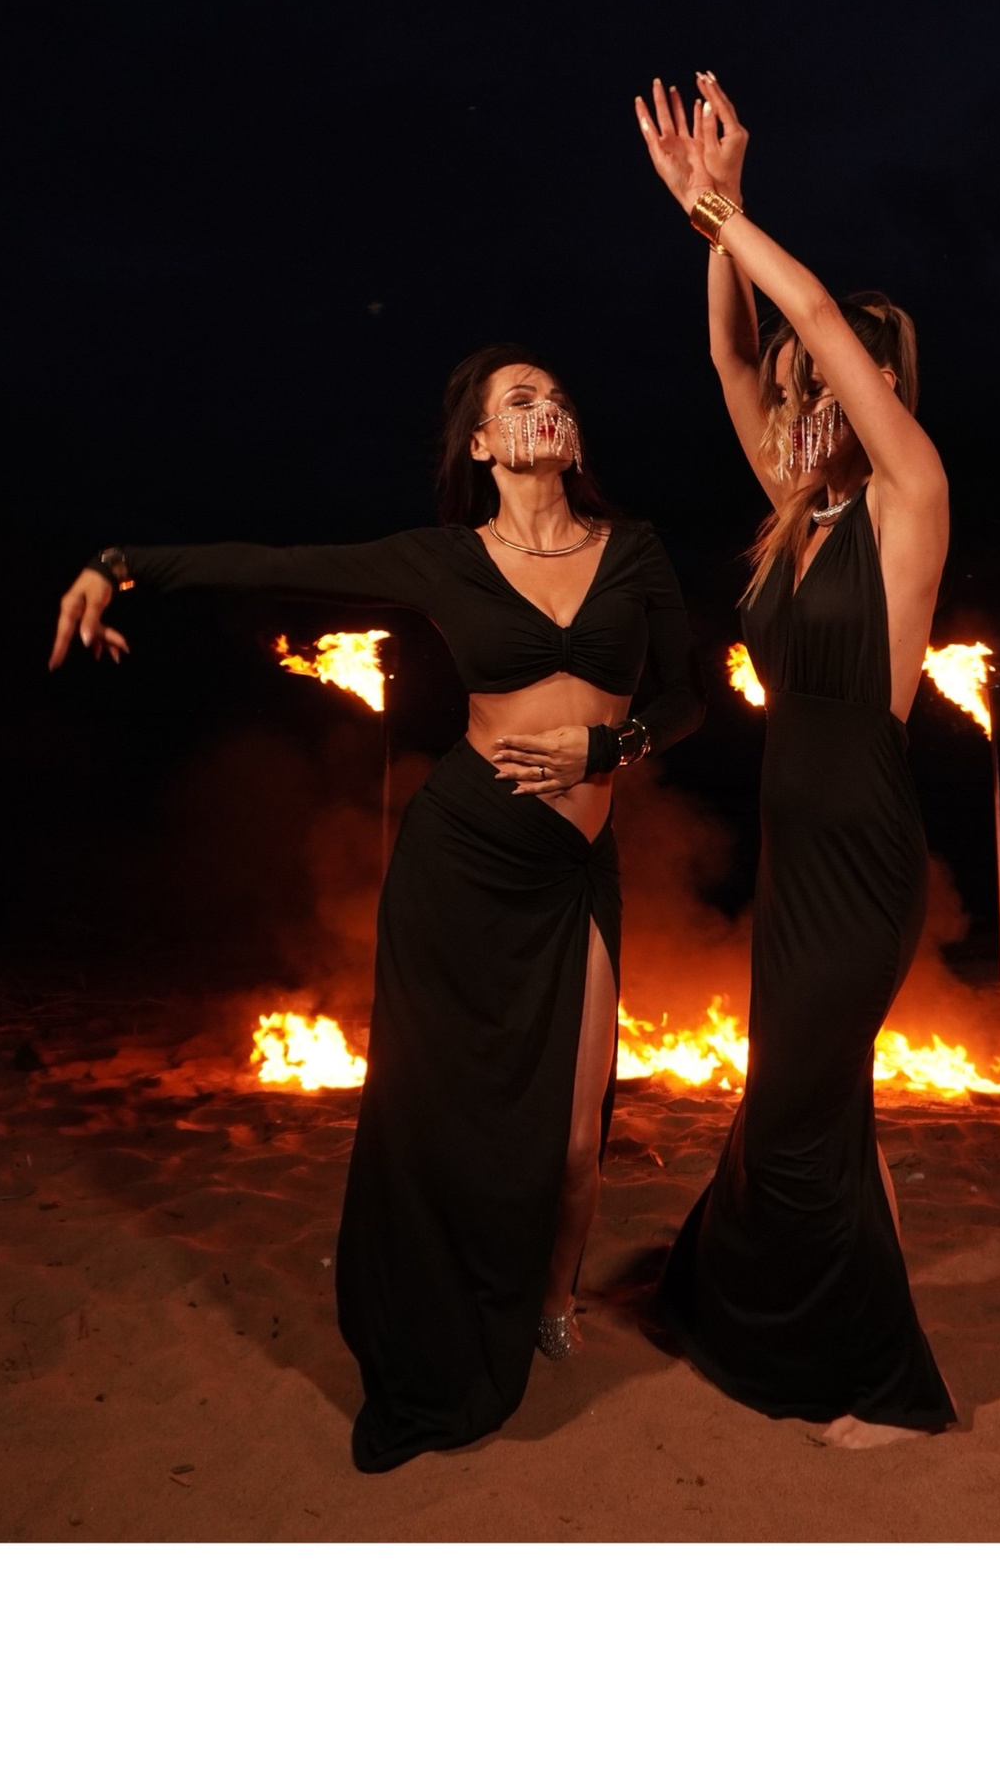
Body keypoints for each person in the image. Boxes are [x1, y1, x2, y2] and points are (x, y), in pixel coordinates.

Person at [48, 349, 703, 1472]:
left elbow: (686, 696)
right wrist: (120, 564)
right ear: (482, 445)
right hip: (460, 859)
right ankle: (434, 1330)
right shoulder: (445, 558)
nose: (545, 407)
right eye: (518, 400)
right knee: (433, 1114)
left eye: (556, 395)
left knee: (575, 1139)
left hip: (571, 870)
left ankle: (550, 1297)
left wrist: (610, 744)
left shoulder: (633, 548)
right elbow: (279, 565)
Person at [634, 72, 956, 1449]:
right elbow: (732, 358)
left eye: (831, 378)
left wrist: (732, 207)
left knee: (799, 1108)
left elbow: (811, 313)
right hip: (794, 858)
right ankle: (824, 1320)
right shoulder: (797, 519)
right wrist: (708, 232)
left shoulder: (909, 501)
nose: (803, 385)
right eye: (799, 382)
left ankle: (892, 1390)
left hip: (866, 855)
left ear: (877, 390)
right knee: (824, 1102)